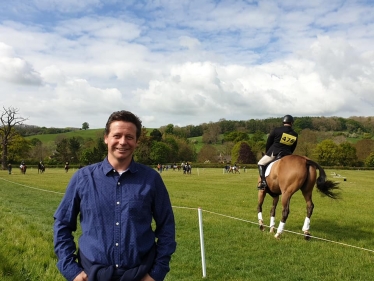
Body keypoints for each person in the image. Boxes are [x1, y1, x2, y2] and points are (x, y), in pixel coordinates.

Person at [53, 110, 176, 281]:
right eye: (117, 135)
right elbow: (62, 225)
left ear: (137, 141)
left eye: (129, 137)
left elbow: (167, 227)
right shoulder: (83, 178)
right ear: (106, 138)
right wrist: (71, 270)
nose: (123, 142)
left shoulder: (151, 179)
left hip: (140, 274)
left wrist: (156, 273)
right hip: (92, 275)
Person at [257, 114, 298, 190]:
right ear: (292, 123)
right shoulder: (295, 134)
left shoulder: (277, 130)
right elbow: (293, 147)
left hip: (275, 152)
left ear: (283, 122)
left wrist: (267, 152)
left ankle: (263, 182)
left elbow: (269, 142)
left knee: (260, 163)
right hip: (287, 154)